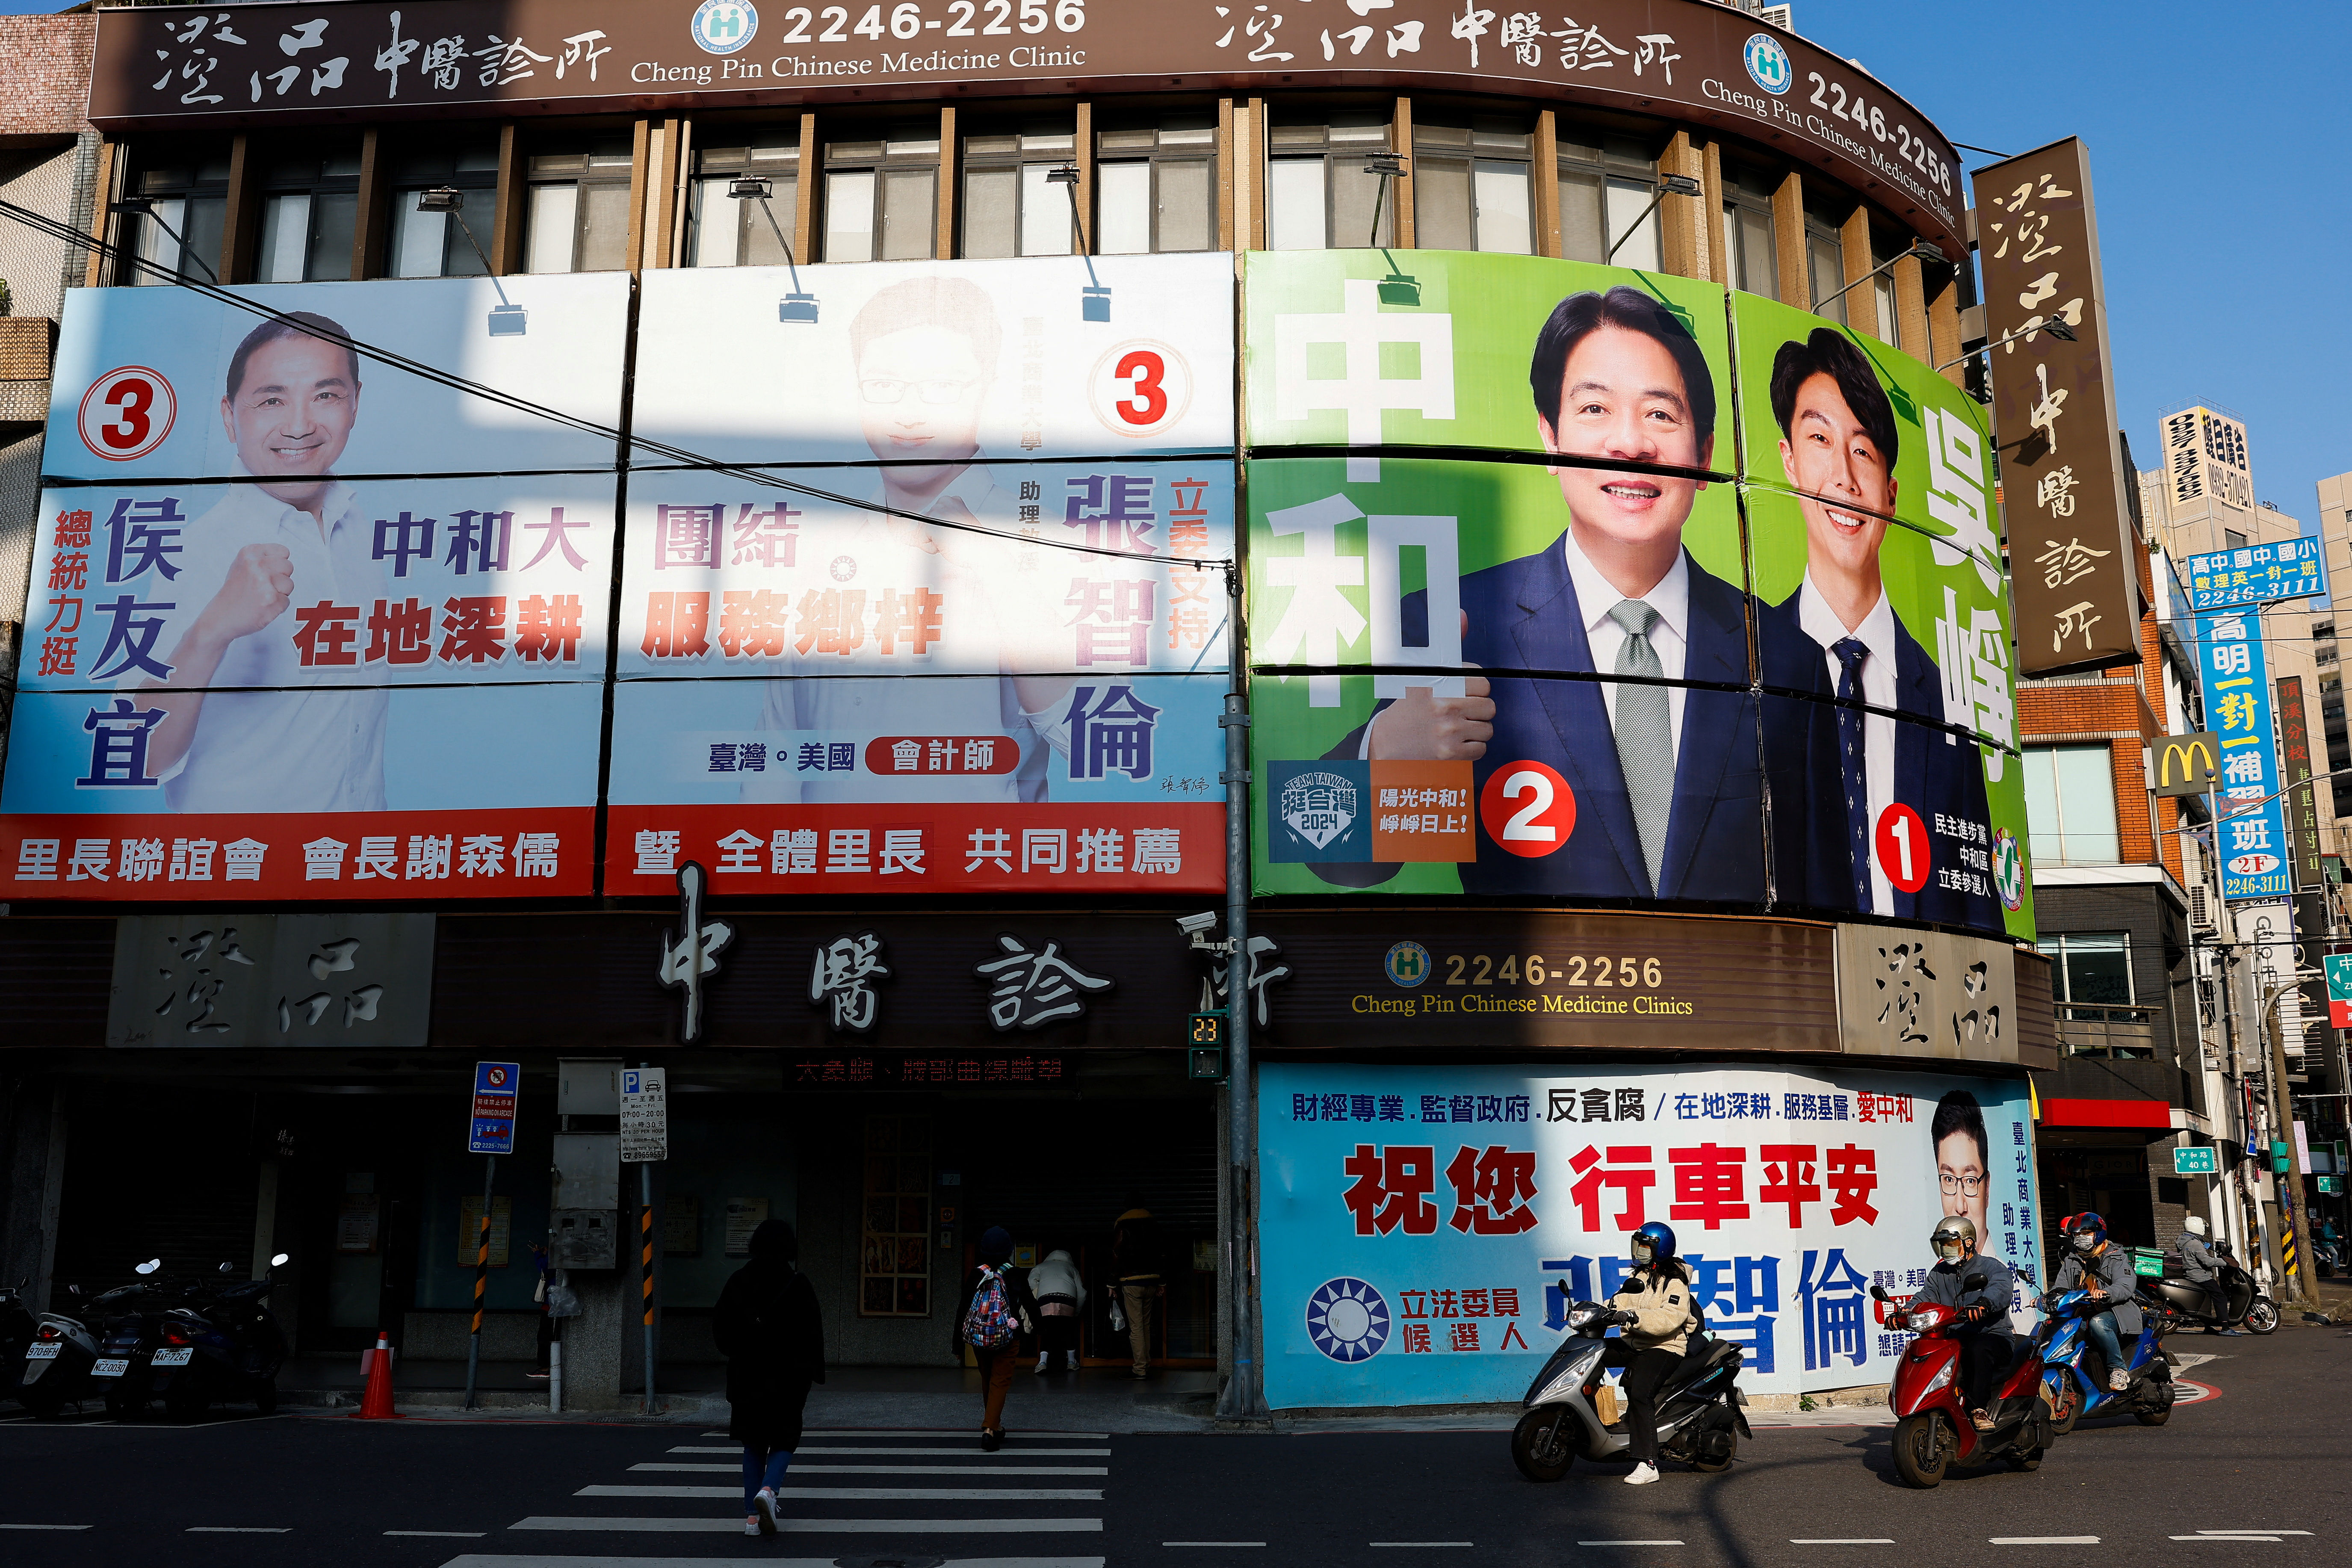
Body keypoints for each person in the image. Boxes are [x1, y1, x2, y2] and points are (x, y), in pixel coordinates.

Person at [1326, 284, 1842, 903]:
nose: (1630, 444)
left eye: (1660, 414)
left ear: (1704, 455)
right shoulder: (1456, 621)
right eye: (1595, 409)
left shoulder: (1788, 658)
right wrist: (1384, 758)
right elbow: (1330, 857)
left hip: (1732, 996)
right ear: (1550, 437)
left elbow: (1825, 890)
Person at [749, 276, 1078, 804]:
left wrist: (987, 563)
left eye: (943, 387)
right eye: (882, 385)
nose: (909, 413)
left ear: (988, 385)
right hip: (827, 868)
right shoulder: (821, 555)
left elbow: (1089, 739)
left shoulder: (1043, 540)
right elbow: (776, 756)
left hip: (979, 866)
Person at [1765, 327, 1994, 925]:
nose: (1844, 476)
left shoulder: (1950, 700)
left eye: (1863, 450)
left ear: (1891, 494)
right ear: (1788, 460)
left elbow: (1978, 905)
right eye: (1820, 438)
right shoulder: (1742, 662)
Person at [128, 311, 387, 811]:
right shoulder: (194, 551)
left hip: (355, 866)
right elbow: (140, 756)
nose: (299, 426)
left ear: (356, 403)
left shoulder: (357, 527)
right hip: (239, 870)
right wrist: (211, 631)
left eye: (326, 395)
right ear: (229, 417)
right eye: (272, 400)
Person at [712, 1218, 825, 1538]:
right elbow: (813, 1333)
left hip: (748, 1375)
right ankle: (769, 1489)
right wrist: (812, 1373)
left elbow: (720, 1327)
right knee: (786, 1437)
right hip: (788, 1376)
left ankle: (751, 1518)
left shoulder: (739, 1280)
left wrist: (739, 1349)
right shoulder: (798, 1283)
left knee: (753, 1442)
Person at [1599, 1220, 1700, 1485]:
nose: (1640, 1250)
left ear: (1660, 1249)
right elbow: (1618, 1301)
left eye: (1645, 1245)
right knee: (1593, 1354)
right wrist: (1597, 1313)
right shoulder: (1638, 1278)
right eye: (1639, 1244)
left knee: (1640, 1392)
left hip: (1665, 1347)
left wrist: (1635, 1317)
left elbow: (1670, 1318)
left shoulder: (1676, 1282)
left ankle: (1649, 1463)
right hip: (1637, 1343)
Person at [1910, 1214, 2016, 1430]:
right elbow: (1926, 1295)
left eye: (1950, 1244)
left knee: (1978, 1348)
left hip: (1993, 1336)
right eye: (1942, 1245)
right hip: (1956, 1337)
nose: (1945, 1249)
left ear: (1968, 1243)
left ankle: (1979, 1409)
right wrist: (1904, 1312)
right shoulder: (1940, 1273)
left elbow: (2001, 1288)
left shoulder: (1990, 1267)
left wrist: (1984, 1304)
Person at [952, 1226, 1038, 1450]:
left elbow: (963, 1309)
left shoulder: (976, 1274)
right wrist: (1040, 1333)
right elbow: (1030, 1304)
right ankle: (989, 1430)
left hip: (980, 1339)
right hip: (1008, 1337)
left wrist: (958, 1343)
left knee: (988, 1380)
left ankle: (996, 1426)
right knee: (1000, 1381)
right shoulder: (1016, 1274)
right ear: (1009, 1250)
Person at [2051, 1211, 2142, 1393]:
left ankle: (2118, 1369)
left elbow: (2125, 1285)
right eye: (2076, 1235)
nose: (2080, 1239)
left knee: (2099, 1324)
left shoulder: (2116, 1256)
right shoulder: (2072, 1259)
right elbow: (2060, 1287)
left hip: (2117, 1310)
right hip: (2083, 1310)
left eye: (2086, 1234)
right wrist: (2044, 1298)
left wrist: (2106, 1292)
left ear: (2098, 1234)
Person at [1932, 1089, 1992, 1255]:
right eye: (1949, 1180)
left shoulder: (2005, 1280)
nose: (1960, 1207)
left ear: (1987, 1188)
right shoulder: (1937, 1278)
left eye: (1970, 1180)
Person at [1112, 1206, 1164, 1381]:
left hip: (1132, 1281)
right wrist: (1161, 1281)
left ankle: (1140, 1369)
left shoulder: (1122, 1224)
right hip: (1151, 1281)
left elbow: (1117, 1254)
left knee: (1136, 1327)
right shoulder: (1153, 1224)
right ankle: (1146, 1364)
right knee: (1146, 1325)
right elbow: (1161, 1253)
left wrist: (1112, 1283)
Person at [1028, 1246, 1086, 1374]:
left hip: (1046, 1299)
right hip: (1068, 1300)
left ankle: (1042, 1363)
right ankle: (1071, 1363)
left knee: (1046, 1331)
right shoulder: (1072, 1269)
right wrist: (1075, 1313)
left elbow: (1031, 1281)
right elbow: (1081, 1293)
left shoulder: (1041, 1266)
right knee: (1068, 1331)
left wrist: (1039, 1289)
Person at [2172, 1215, 2230, 1326]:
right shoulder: (2195, 1243)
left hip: (2189, 1273)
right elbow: (2207, 1261)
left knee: (2206, 1298)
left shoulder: (2184, 1241)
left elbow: (2196, 1250)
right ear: (2198, 1227)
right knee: (2220, 1297)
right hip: (2200, 1276)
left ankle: (2207, 1326)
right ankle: (2225, 1327)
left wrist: (2207, 1247)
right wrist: (2225, 1262)